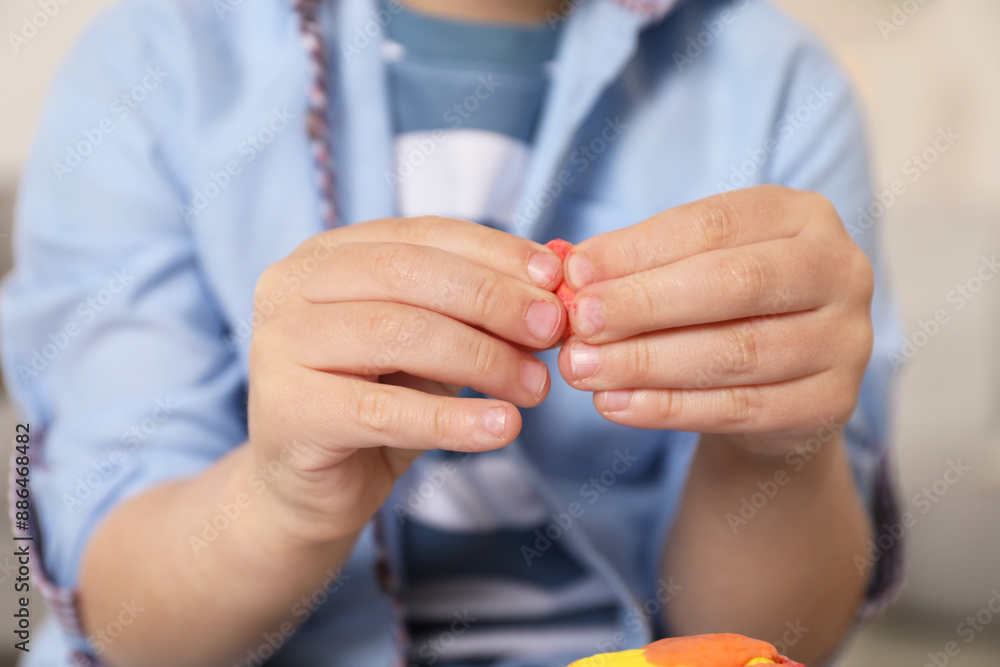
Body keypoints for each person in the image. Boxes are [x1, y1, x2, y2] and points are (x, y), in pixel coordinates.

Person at [1, 0, 903, 664]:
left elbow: (786, 641)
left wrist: (776, 449)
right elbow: (127, 623)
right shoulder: (146, 68)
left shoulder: (781, 84)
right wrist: (281, 500)